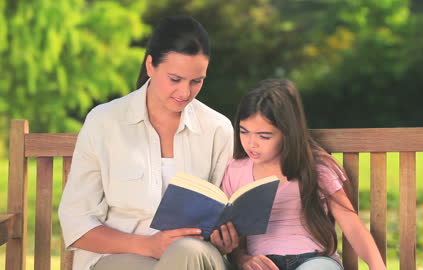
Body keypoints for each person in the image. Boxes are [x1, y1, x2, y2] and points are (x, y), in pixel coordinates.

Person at [58, 15, 238, 270]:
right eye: (175, 79)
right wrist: (149, 246)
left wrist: (227, 238)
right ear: (150, 65)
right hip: (122, 257)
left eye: (196, 81)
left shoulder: (217, 129)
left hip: (195, 257)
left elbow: (225, 213)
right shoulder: (105, 122)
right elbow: (77, 223)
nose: (185, 92)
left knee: (185, 252)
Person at [221, 79, 386, 270]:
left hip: (314, 260)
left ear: (287, 132)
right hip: (264, 263)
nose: (251, 143)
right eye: (244, 132)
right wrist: (243, 260)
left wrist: (378, 267)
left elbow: (352, 226)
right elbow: (233, 239)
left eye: (264, 136)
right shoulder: (236, 170)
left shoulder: (315, 167)